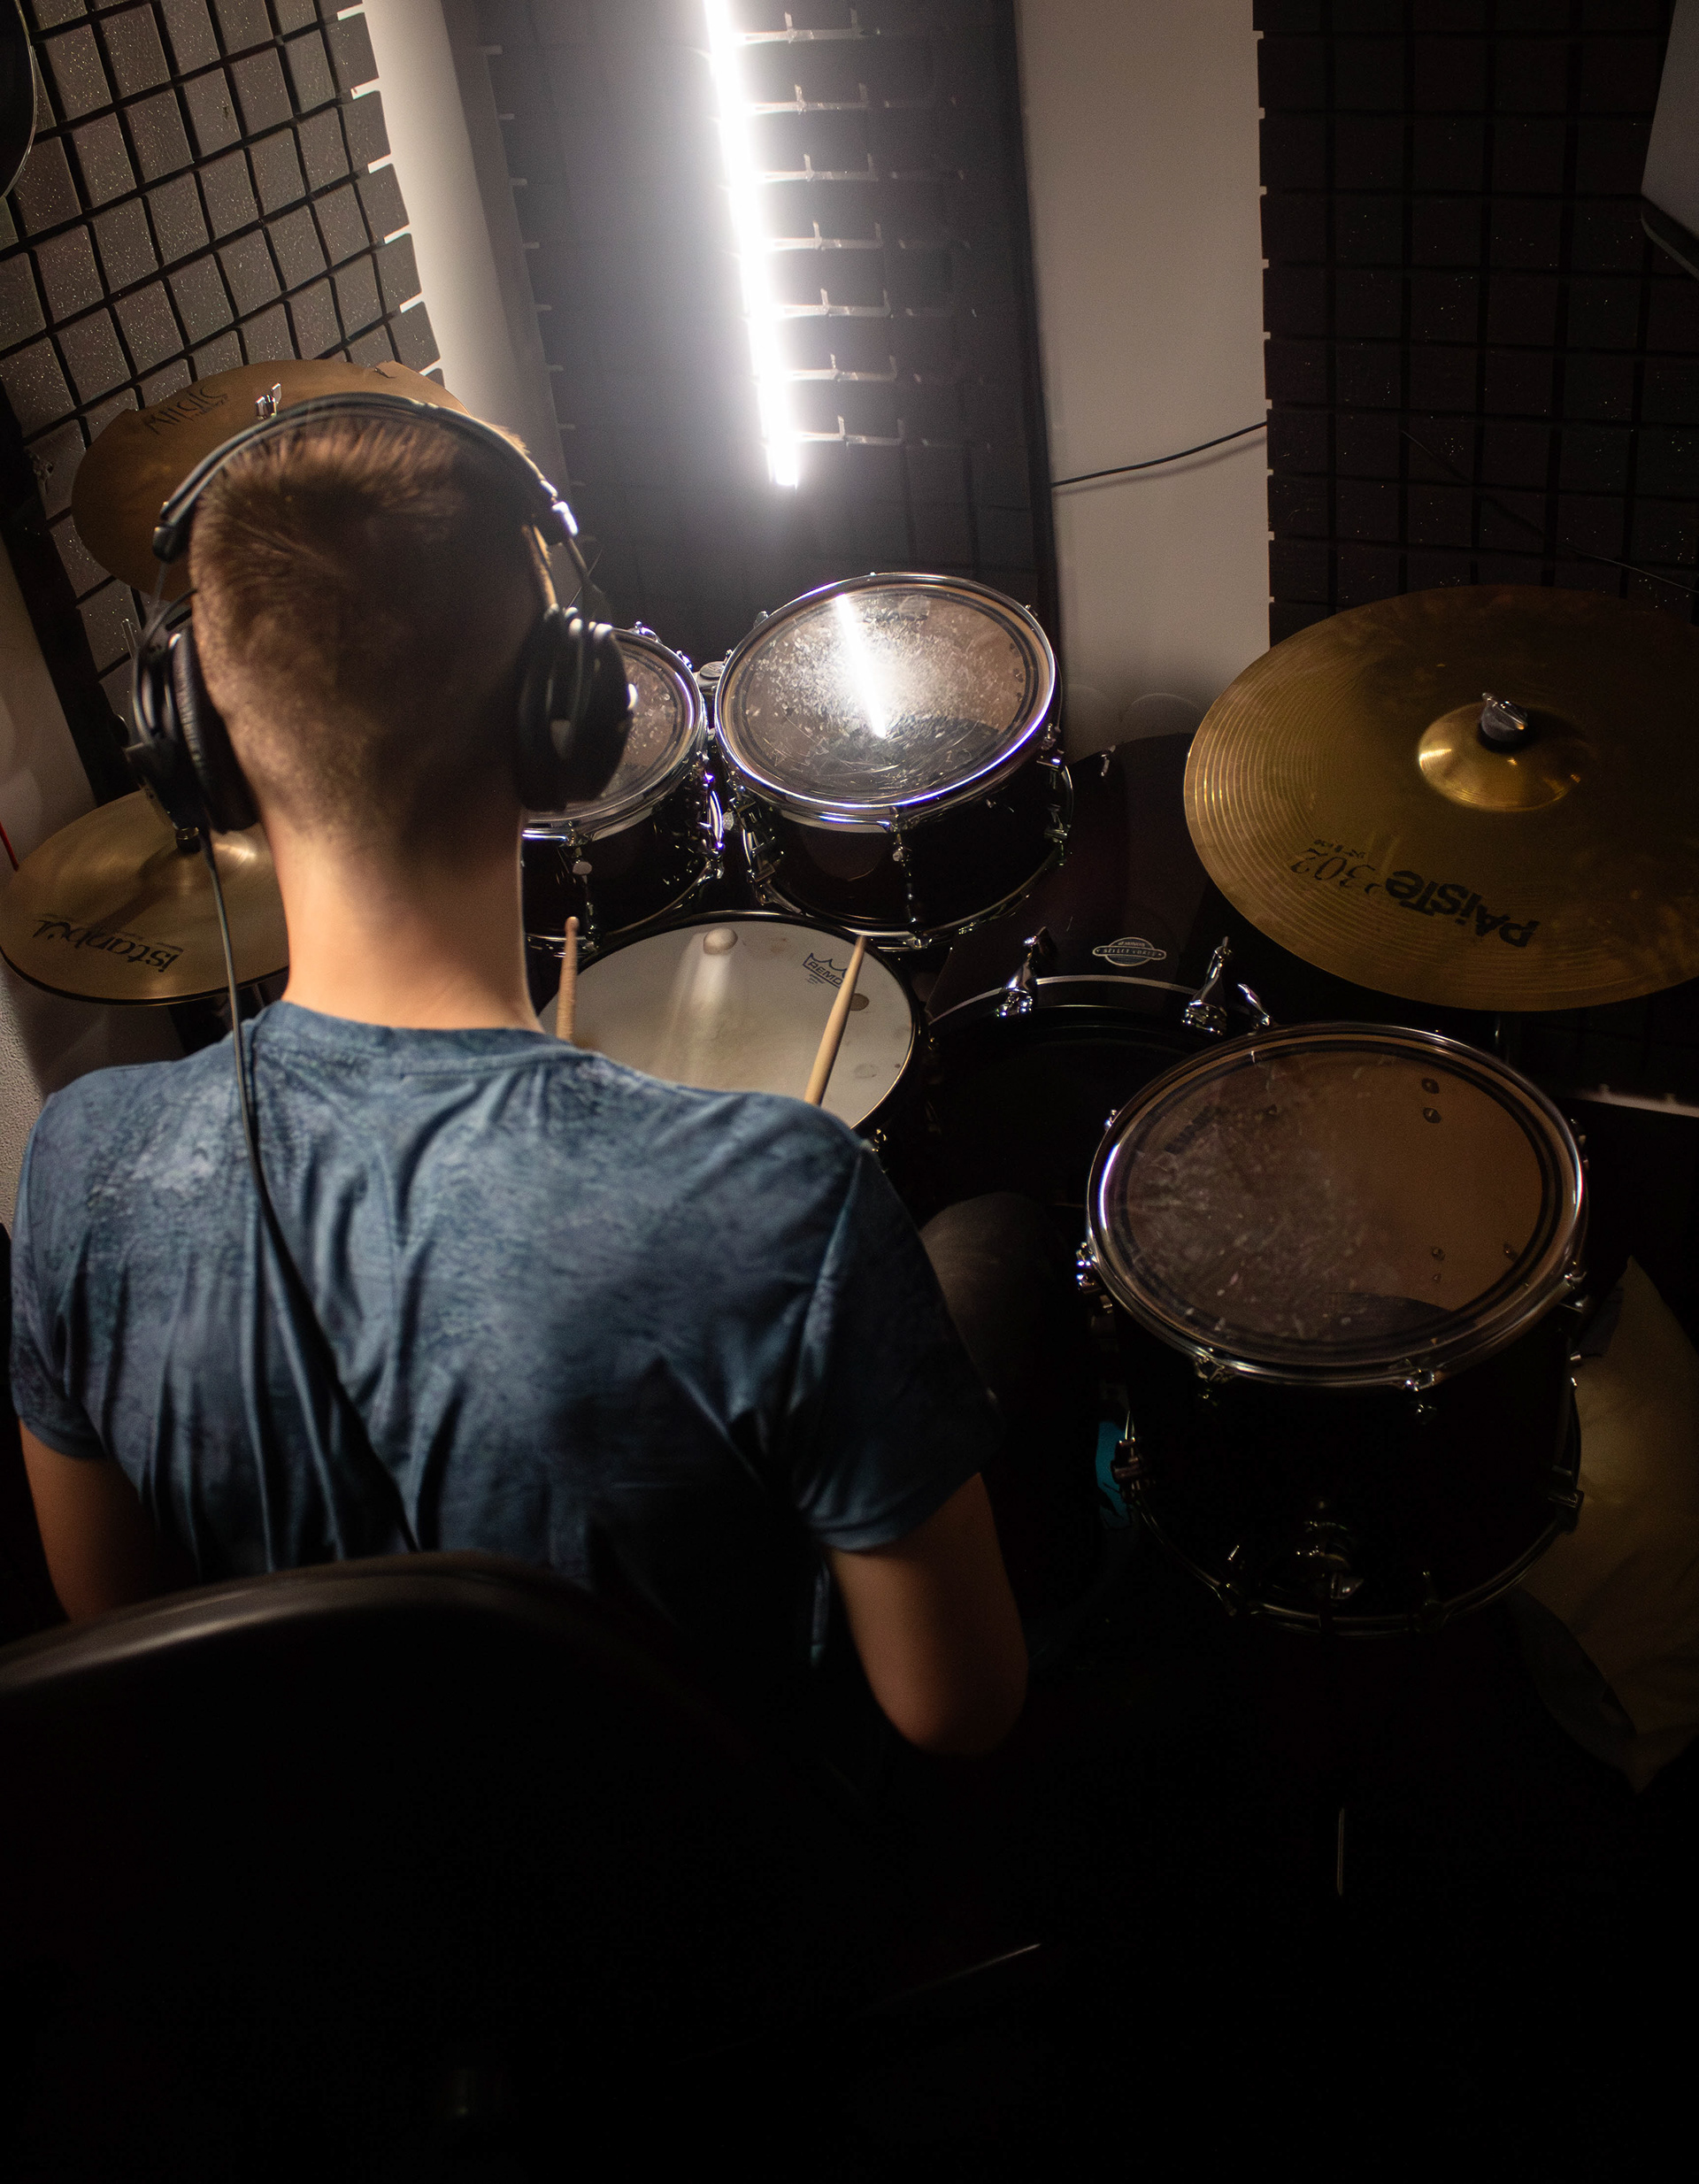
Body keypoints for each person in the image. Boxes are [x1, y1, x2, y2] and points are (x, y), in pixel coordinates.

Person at [10, 408, 1085, 1760]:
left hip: (278, 1861)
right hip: (705, 1874)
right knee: (1001, 1245)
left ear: (199, 750)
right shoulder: (777, 1199)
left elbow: (110, 1614)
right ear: (560, 728)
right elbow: (956, 1708)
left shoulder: (84, 1167)